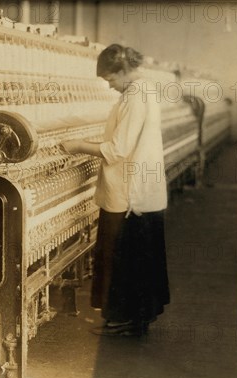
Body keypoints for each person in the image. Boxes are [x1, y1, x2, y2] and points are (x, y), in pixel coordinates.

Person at [62, 44, 170, 336]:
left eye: (110, 78)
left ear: (123, 70)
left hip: (128, 194)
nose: (109, 85)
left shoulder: (135, 96)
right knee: (137, 259)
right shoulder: (143, 90)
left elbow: (118, 148)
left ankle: (123, 320)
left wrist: (79, 146)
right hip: (139, 190)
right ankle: (136, 320)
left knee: (121, 258)